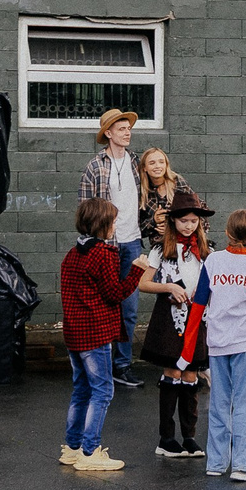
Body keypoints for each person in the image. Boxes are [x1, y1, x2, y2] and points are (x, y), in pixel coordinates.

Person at [134, 185, 213, 458]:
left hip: (197, 318)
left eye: (194, 221)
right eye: (184, 221)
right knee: (173, 373)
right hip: (169, 317)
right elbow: (144, 283)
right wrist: (169, 287)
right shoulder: (160, 249)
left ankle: (189, 436)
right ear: (173, 221)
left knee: (191, 375)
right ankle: (166, 438)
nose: (189, 226)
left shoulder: (207, 250)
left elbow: (212, 283)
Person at [192, 207, 246, 480]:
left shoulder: (213, 261)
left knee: (220, 401)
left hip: (217, 340)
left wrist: (188, 347)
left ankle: (216, 462)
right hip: (245, 340)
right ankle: (245, 465)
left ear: (226, 232)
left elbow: (199, 301)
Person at [57, 198, 130, 472]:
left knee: (81, 389)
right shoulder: (104, 254)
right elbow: (115, 294)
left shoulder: (72, 254)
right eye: (112, 221)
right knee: (103, 391)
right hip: (95, 333)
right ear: (102, 224)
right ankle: (90, 451)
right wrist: (138, 270)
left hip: (73, 333)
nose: (114, 226)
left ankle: (72, 447)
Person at [78, 110, 143, 385]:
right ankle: (99, 363)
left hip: (133, 241)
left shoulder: (136, 163)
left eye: (129, 128)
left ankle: (122, 365)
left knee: (129, 309)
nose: (127, 133)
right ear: (108, 133)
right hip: (107, 246)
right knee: (104, 306)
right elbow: (85, 211)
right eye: (121, 128)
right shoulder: (95, 166)